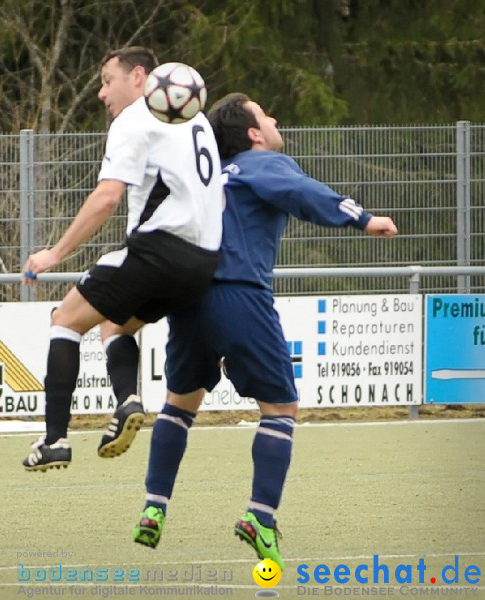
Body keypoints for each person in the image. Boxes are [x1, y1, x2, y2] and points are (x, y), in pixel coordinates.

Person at [131, 93, 399, 570]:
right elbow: (304, 194)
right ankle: (260, 516)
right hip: (238, 295)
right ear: (254, 134)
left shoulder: (207, 176)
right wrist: (363, 218)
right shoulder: (261, 164)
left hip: (187, 294)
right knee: (280, 408)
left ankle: (155, 504)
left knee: (180, 401)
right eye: (265, 114)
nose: (274, 119)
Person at [20, 47, 224, 471]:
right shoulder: (196, 119)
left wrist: (55, 253)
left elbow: (108, 196)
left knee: (65, 321)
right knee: (114, 324)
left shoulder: (135, 118)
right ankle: (127, 401)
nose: (100, 93)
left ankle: (55, 438)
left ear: (139, 77)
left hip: (160, 251)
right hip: (203, 263)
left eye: (106, 80)